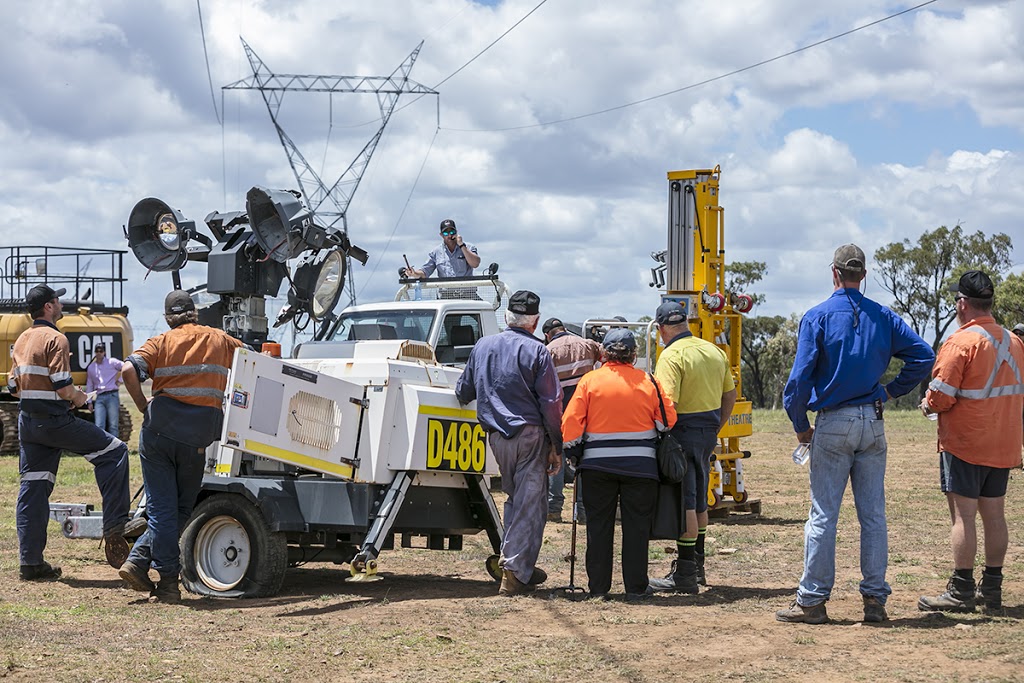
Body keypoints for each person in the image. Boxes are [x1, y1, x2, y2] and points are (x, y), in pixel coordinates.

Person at [776, 244, 934, 625]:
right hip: (873, 422)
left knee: (823, 515)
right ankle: (875, 601)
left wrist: (800, 426)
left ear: (834, 272)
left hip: (833, 422)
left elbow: (798, 381)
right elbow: (924, 356)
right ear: (863, 275)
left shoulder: (817, 317)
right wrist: (891, 391)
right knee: (873, 516)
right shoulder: (883, 316)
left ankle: (812, 600)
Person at [118, 290, 244, 602]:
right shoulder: (220, 340)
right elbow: (256, 363)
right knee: (181, 509)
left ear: (167, 318)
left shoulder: (160, 342)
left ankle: (150, 568)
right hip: (197, 440)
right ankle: (157, 573)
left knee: (163, 510)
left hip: (158, 435)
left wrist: (142, 404)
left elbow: (127, 370)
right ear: (195, 314)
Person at [918, 271, 1024, 614]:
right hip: (1003, 443)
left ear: (962, 304)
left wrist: (926, 404)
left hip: (965, 443)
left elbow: (941, 397)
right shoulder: (1014, 342)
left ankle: (961, 589)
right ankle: (991, 588)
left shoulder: (960, 343)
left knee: (963, 516)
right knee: (995, 515)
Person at [9, 285, 130, 580]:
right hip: (55, 421)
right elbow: (63, 388)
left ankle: (31, 563)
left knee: (34, 488)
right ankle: (115, 528)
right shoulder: (56, 339)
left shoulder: (21, 340)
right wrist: (80, 397)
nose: (61, 304)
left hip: (29, 423)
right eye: (58, 300)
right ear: (49, 307)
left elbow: (14, 388)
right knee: (115, 452)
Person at [455, 290, 562, 596]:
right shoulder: (538, 351)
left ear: (506, 318)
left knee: (516, 499)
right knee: (530, 504)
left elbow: (464, 390)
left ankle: (516, 564)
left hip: (497, 437)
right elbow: (551, 402)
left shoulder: (483, 345)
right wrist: (556, 444)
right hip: (530, 435)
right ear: (535, 321)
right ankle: (514, 572)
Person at [562, 328, 675, 600]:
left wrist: (574, 452)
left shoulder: (590, 381)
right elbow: (667, 421)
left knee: (598, 527)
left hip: (597, 468)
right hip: (641, 468)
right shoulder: (649, 381)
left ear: (604, 355)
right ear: (634, 355)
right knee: (636, 528)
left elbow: (570, 424)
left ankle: (599, 589)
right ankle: (636, 588)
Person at [648, 301, 736, 595]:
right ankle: (698, 568)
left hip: (681, 432)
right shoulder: (713, 350)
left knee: (685, 500)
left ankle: (685, 573)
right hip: (708, 430)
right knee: (699, 497)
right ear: (685, 323)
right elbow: (730, 396)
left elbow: (666, 403)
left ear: (661, 329)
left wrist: (660, 436)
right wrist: (715, 428)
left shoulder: (671, 355)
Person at [542, 317, 603, 523]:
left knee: (556, 458)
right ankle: (583, 512)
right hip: (587, 414)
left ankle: (554, 509)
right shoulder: (587, 344)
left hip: (560, 415)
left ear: (547, 335)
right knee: (584, 462)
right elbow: (607, 357)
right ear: (564, 329)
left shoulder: (548, 350)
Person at [404, 219, 481, 279]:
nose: (449, 235)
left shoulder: (469, 247)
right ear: (441, 235)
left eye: (452, 232)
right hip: (445, 296)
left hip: (468, 294)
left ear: (456, 232)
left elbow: (475, 264)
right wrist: (414, 273)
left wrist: (462, 246)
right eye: (446, 233)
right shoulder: (435, 252)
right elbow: (425, 272)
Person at [86, 342, 124, 437]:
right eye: (97, 351)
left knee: (113, 425)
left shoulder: (112, 362)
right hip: (100, 397)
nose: (99, 353)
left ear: (104, 352)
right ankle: (101, 448)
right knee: (99, 425)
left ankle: (115, 448)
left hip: (112, 395)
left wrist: (120, 381)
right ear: (95, 352)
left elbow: (127, 367)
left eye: (101, 351)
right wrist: (89, 401)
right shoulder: (91, 368)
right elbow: (90, 384)